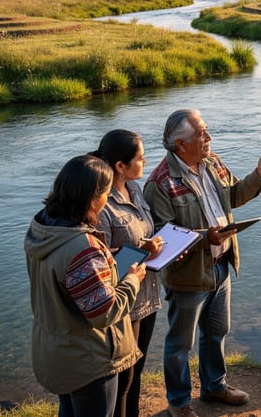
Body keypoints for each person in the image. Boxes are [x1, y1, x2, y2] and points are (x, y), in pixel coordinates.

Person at [144, 109, 261, 417]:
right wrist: (203, 237)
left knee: (217, 331)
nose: (208, 138)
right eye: (201, 134)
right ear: (179, 145)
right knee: (179, 345)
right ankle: (179, 403)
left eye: (206, 130)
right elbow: (160, 235)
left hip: (221, 264)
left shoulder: (213, 162)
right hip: (188, 276)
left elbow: (234, 196)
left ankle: (213, 386)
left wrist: (259, 175)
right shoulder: (160, 183)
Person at [24, 154, 146, 417]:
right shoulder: (81, 247)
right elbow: (104, 312)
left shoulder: (43, 229)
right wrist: (132, 280)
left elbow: (67, 279)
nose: (107, 199)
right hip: (89, 360)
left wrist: (104, 262)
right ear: (92, 198)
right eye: (106, 192)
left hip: (59, 352)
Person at [91, 130, 165, 417]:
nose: (146, 162)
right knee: (122, 379)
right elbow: (102, 266)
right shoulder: (100, 204)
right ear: (120, 166)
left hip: (146, 294)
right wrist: (144, 252)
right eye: (140, 158)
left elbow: (146, 232)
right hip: (123, 304)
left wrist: (161, 247)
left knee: (136, 372)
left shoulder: (134, 189)